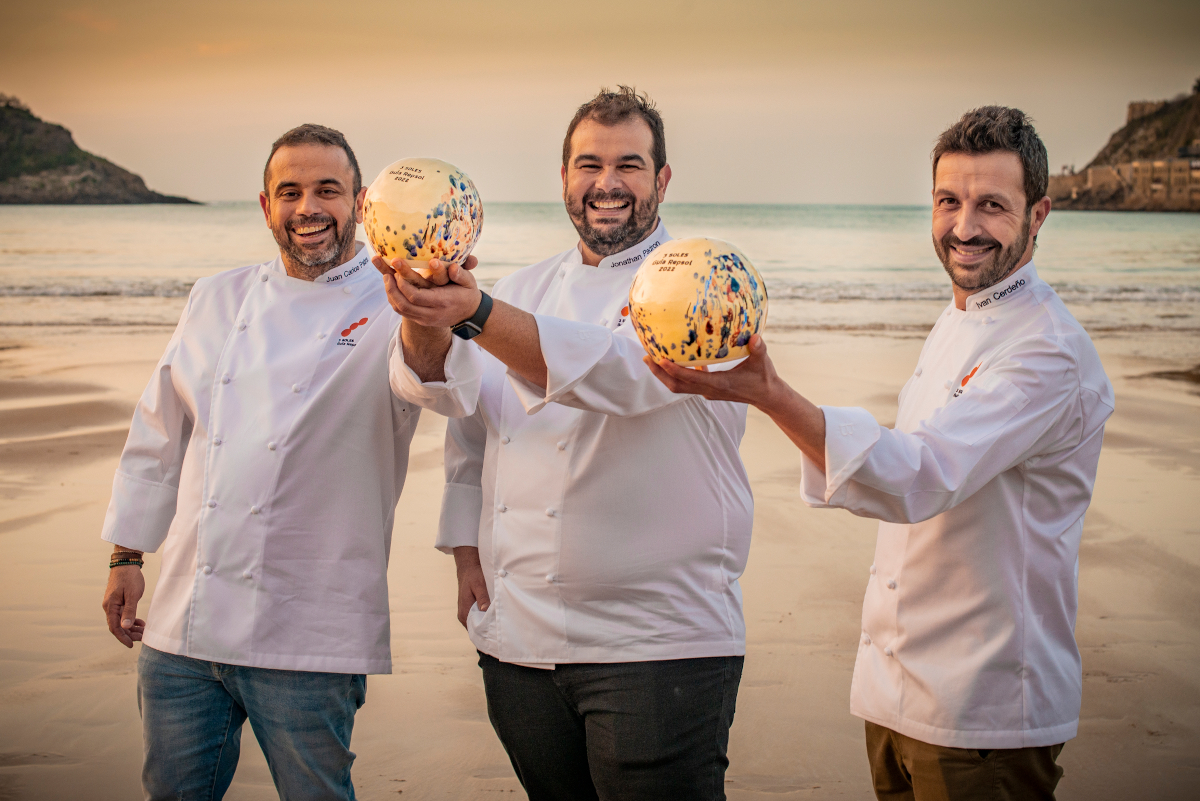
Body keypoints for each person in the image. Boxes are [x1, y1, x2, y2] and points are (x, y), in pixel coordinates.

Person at [647, 106, 1115, 800]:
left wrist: (769, 393)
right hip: (897, 693)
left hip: (983, 709)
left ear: (1039, 213)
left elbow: (921, 476)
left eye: (992, 206)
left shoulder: (1047, 351)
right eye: (948, 201)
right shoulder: (962, 314)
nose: (964, 227)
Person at [376, 87, 751, 800]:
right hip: (519, 642)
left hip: (657, 642)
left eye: (629, 165)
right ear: (563, 179)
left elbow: (623, 376)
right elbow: (459, 415)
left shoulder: (703, 282)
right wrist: (425, 308)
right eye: (589, 164)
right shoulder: (524, 287)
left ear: (662, 180)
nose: (606, 184)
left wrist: (475, 310)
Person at [99, 124, 426, 800]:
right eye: (291, 191)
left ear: (361, 202)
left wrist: (431, 307)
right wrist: (126, 555)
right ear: (265, 205)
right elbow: (161, 428)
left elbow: (436, 381)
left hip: (309, 632)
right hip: (185, 624)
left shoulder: (396, 301)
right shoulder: (216, 297)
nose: (308, 207)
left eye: (327, 190)